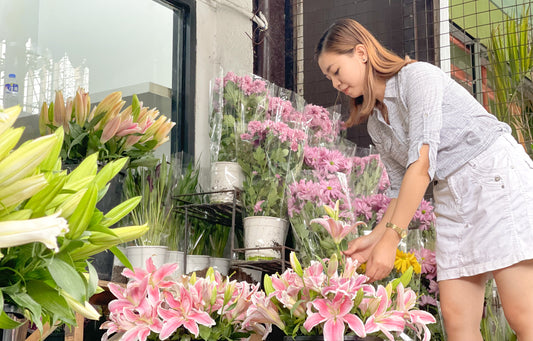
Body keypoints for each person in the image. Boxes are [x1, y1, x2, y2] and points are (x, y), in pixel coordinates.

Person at [315, 18, 533, 340]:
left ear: (361, 52)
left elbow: (422, 164)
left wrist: (390, 243)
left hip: (492, 175)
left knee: (522, 313)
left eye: (336, 70)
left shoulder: (417, 77)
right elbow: (400, 185)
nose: (335, 83)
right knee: (457, 319)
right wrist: (374, 238)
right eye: (328, 77)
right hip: (451, 194)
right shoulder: (376, 122)